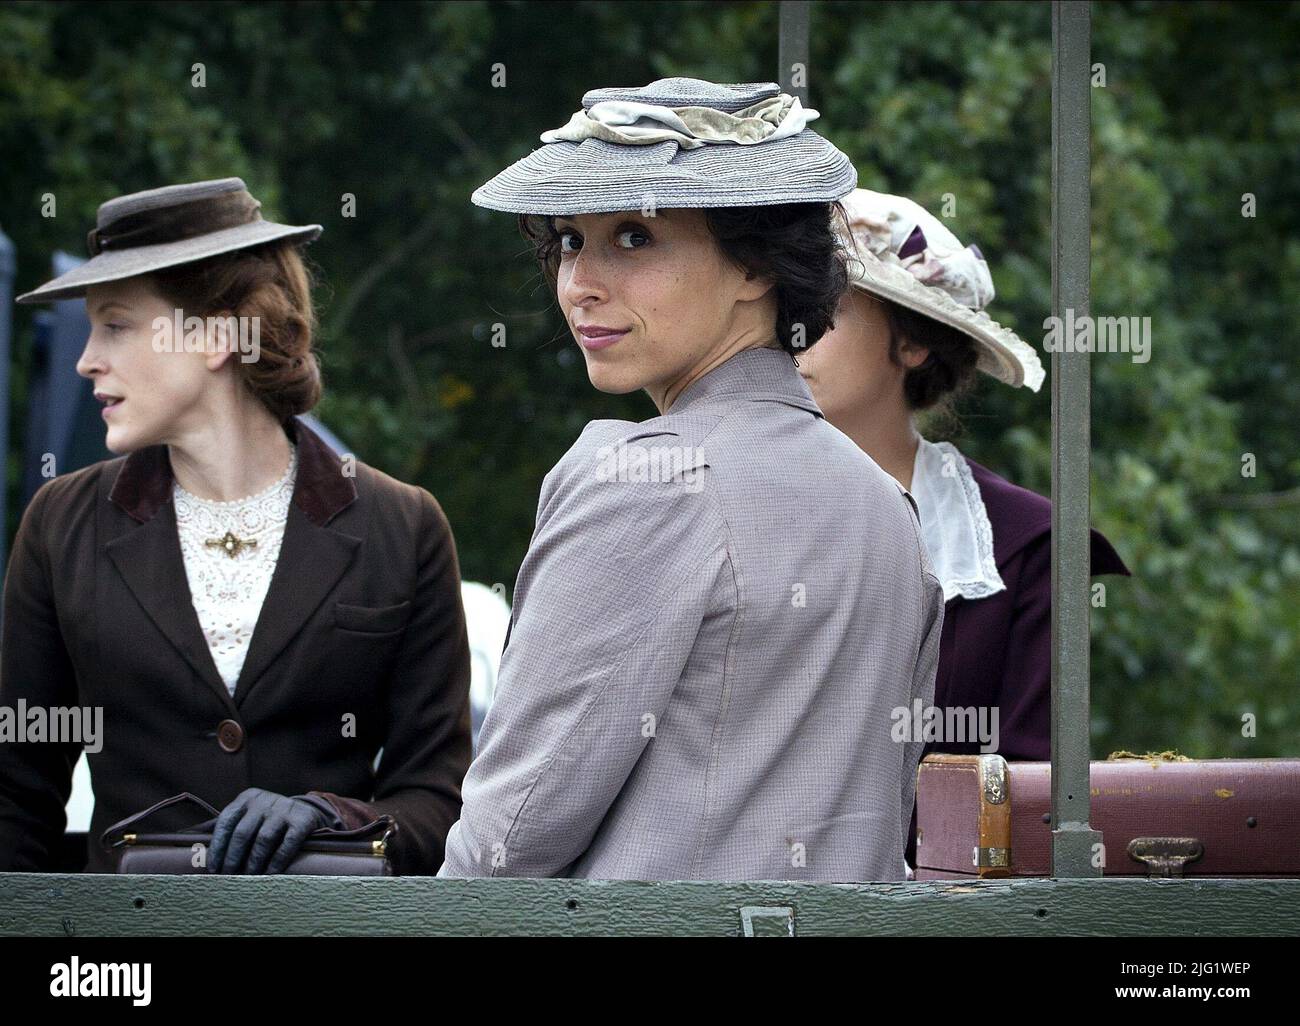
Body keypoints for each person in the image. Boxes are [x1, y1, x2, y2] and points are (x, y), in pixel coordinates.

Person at [438, 78, 944, 882]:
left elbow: (511, 835)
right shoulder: (886, 505)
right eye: (570, 239)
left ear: (754, 266)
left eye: (634, 237)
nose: (580, 283)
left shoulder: (644, 477)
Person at [0, 178, 472, 875]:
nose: (85, 359)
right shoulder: (61, 525)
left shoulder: (403, 526)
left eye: (117, 324)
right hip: (131, 968)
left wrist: (330, 815)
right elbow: (15, 797)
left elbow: (441, 799)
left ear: (218, 333)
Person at [796, 188, 1131, 866]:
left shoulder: (1023, 545)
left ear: (913, 341)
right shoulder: (702, 501)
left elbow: (1036, 796)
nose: (791, 336)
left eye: (822, 309)